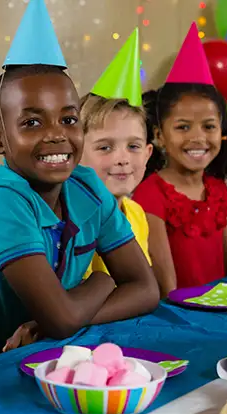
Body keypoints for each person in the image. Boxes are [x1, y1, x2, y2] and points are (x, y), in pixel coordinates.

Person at [0, 0, 158, 355]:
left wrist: (64, 317)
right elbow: (61, 319)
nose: (56, 135)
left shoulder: (87, 186)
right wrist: (103, 280)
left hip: (40, 353)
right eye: (32, 122)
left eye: (69, 119)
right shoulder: (1, 199)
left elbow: (145, 289)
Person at [134, 23, 227, 294]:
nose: (198, 137)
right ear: (159, 135)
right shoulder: (150, 194)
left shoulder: (219, 190)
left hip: (220, 313)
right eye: (183, 127)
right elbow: (166, 285)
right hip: (181, 318)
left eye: (208, 126)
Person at [78, 28, 152, 278]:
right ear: (76, 154)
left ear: (148, 154)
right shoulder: (76, 222)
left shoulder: (137, 214)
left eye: (133, 146)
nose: (122, 159)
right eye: (105, 147)